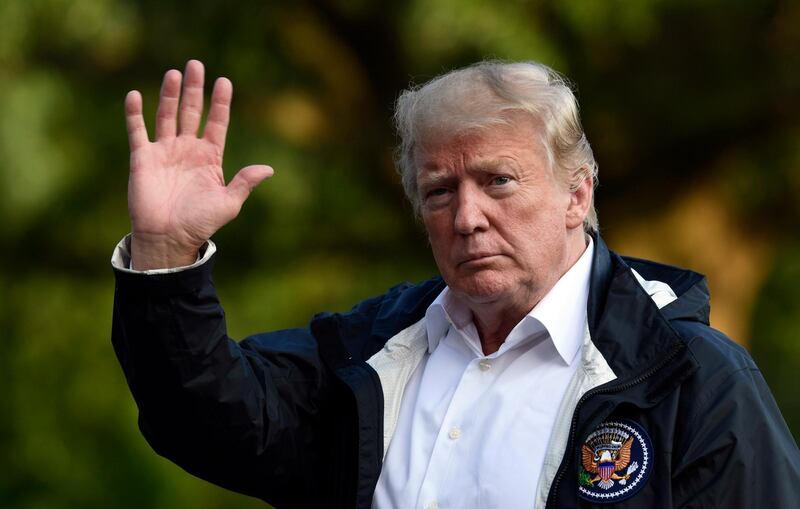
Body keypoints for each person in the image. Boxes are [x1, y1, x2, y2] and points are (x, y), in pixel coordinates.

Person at [111, 59, 800, 509]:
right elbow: (206, 418)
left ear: (575, 193)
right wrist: (167, 255)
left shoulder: (689, 379)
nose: (467, 216)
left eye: (498, 180)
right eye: (440, 190)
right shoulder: (370, 356)